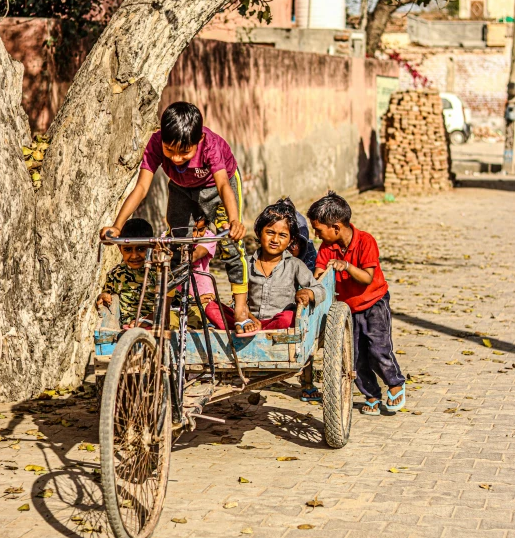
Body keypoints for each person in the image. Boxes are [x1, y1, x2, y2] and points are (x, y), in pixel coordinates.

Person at [100, 101, 249, 331]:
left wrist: (234, 220)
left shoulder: (210, 145)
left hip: (219, 187)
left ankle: (240, 308)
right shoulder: (155, 144)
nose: (177, 158)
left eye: (184, 152)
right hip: (181, 188)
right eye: (170, 151)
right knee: (174, 247)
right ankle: (162, 311)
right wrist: (117, 226)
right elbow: (141, 189)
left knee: (230, 244)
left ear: (198, 141)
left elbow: (222, 186)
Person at [308, 191, 406, 416]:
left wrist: (347, 266)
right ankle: (371, 395)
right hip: (349, 309)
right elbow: (319, 275)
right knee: (355, 356)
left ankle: (395, 384)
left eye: (319, 229)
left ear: (336, 226)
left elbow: (367, 278)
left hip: (374, 303)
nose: (316, 234)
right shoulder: (326, 248)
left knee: (378, 349)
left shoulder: (365, 241)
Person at [205, 200, 325, 341]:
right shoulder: (246, 263)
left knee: (289, 317)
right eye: (270, 232)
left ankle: (258, 334)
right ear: (258, 233)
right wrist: (249, 319)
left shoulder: (295, 265)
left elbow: (320, 289)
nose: (275, 239)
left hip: (278, 323)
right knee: (211, 308)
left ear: (291, 240)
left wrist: (308, 293)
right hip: (247, 320)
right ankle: (252, 330)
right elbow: (238, 302)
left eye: (282, 235)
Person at [96, 218, 157, 329]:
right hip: (126, 329)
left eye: (140, 249)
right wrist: (103, 296)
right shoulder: (116, 274)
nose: (134, 256)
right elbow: (106, 294)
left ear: (151, 247)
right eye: (128, 250)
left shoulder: (158, 273)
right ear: (120, 248)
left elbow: (172, 303)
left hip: (154, 326)